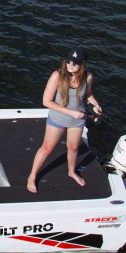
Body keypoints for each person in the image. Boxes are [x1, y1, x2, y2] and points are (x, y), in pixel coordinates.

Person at [27, 48, 102, 193]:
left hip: (77, 120)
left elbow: (87, 95)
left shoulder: (88, 77)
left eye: (75, 63)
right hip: (59, 119)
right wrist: (71, 112)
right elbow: (46, 101)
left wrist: (96, 104)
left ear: (83, 64)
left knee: (73, 147)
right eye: (68, 61)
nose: (70, 65)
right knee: (47, 148)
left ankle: (71, 172)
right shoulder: (57, 75)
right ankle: (32, 176)